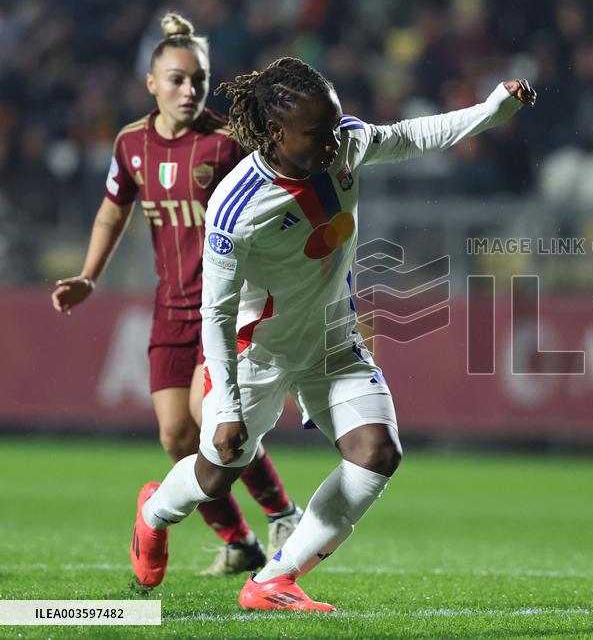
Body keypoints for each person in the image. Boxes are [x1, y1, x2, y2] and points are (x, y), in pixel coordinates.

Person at [128, 56, 536, 611]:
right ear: (276, 132)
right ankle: (153, 513)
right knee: (218, 470)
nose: (333, 143)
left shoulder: (342, 143)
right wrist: (224, 403)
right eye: (318, 133)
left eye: (336, 126)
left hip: (331, 340)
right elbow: (216, 313)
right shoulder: (234, 206)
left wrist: (494, 110)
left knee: (377, 453)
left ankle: (275, 580)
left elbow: (414, 134)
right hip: (260, 353)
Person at [51, 13, 302, 576]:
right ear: (151, 83)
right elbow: (112, 212)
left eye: (198, 80)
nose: (189, 90)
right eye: (176, 80)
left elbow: (279, 205)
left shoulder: (227, 143)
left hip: (227, 306)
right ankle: (240, 543)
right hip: (170, 309)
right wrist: (90, 276)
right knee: (175, 436)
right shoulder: (130, 144)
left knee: (208, 418)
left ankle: (282, 512)